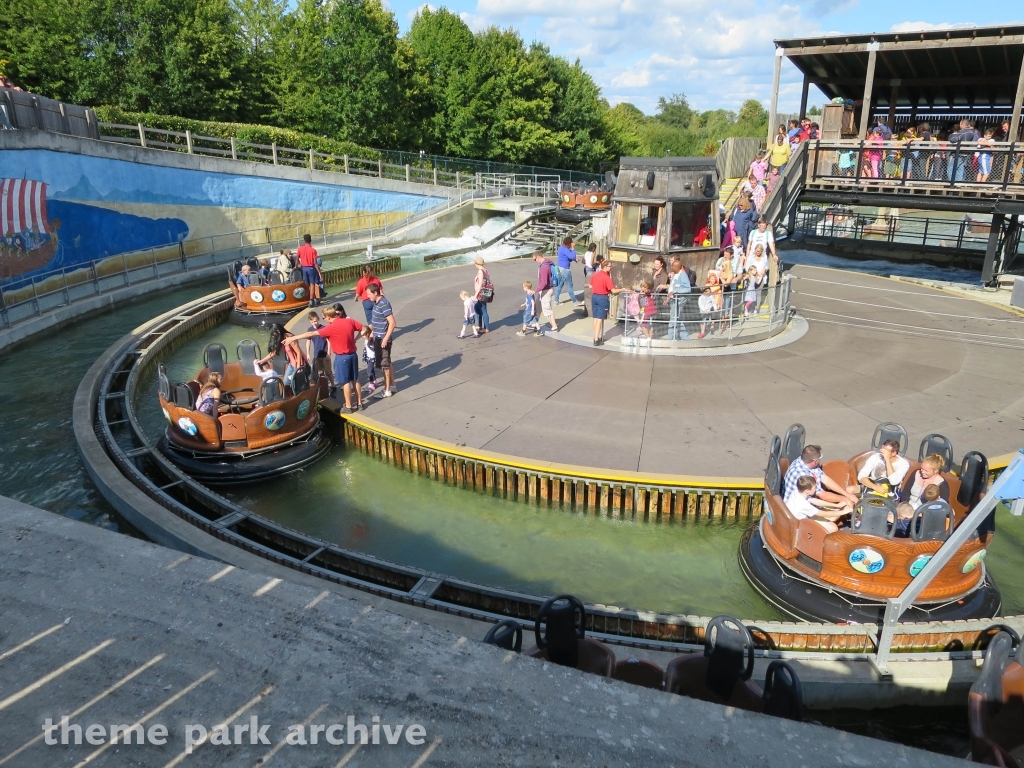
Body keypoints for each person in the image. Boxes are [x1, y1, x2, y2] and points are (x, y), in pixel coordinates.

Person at [286, 306, 364, 413]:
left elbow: (311, 334)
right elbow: (363, 329)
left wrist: (293, 338)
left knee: (345, 382)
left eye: (323, 318)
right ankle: (360, 404)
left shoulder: (330, 328)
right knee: (355, 379)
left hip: (342, 358)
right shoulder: (349, 321)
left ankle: (349, 406)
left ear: (328, 317)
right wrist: (355, 339)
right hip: (353, 355)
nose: (324, 320)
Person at [783, 445, 859, 509]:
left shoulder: (804, 461)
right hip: (797, 507)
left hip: (809, 499)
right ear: (815, 461)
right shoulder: (803, 474)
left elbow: (824, 478)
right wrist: (845, 499)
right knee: (845, 507)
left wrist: (846, 494)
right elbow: (823, 496)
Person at [367, 283, 397, 397]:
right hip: (377, 337)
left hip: (383, 339)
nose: (368, 296)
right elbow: (376, 321)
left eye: (369, 294)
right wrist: (372, 335)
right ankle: (392, 386)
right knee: (387, 362)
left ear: (375, 293)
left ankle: (387, 390)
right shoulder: (376, 303)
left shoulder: (383, 304)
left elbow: (392, 322)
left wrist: (385, 339)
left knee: (384, 365)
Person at [258, 323, 304, 389]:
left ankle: (298, 392)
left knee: (294, 382)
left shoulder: (290, 338)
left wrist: (298, 368)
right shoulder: (281, 338)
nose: (272, 336)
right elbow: (274, 353)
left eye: (273, 334)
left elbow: (298, 352)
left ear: (278, 332)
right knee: (287, 381)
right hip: (292, 363)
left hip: (299, 363)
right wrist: (262, 361)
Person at [589, 256, 619, 345]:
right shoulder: (606, 278)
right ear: (605, 267)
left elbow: (591, 286)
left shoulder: (595, 275)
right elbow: (613, 290)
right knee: (599, 319)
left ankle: (595, 336)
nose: (611, 268)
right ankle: (596, 340)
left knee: (595, 318)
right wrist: (623, 289)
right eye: (610, 266)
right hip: (602, 298)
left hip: (594, 296)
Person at [305, 311, 334, 391]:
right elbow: (308, 342)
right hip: (317, 354)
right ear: (309, 321)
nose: (314, 323)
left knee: (328, 372)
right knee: (320, 372)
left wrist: (328, 352)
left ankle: (333, 385)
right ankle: (323, 387)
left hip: (324, 353)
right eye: (312, 322)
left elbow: (329, 341)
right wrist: (307, 353)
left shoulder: (323, 328)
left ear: (318, 319)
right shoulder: (310, 330)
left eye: (315, 321)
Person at [532, 250, 558, 332]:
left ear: (538, 256)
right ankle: (534, 323)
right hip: (543, 290)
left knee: (547, 308)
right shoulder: (546, 264)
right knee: (538, 307)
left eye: (534, 259)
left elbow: (544, 282)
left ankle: (554, 327)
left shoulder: (544, 267)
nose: (534, 261)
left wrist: (535, 291)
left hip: (546, 290)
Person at [667, 259, 691, 341]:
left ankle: (671, 338)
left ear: (677, 267)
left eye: (673, 266)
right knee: (677, 318)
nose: (671, 267)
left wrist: (676, 291)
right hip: (673, 300)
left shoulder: (683, 275)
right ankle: (685, 338)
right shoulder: (675, 275)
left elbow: (688, 289)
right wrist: (668, 298)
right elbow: (672, 287)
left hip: (679, 301)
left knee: (674, 319)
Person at [554, 237, 581, 305]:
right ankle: (575, 302)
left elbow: (567, 257)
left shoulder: (561, 248)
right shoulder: (566, 249)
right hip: (565, 270)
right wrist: (573, 248)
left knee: (560, 285)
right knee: (569, 286)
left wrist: (574, 260)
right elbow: (572, 256)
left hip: (560, 268)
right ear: (569, 243)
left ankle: (556, 301)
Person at [297, 234, 321, 307]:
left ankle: (310, 298)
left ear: (304, 240)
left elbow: (297, 259)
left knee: (307, 285)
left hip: (304, 268)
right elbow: (315, 263)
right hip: (311, 268)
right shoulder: (313, 250)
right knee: (312, 284)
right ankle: (312, 300)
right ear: (311, 240)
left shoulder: (300, 249)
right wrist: (319, 272)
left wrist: (296, 267)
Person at [696, 272, 722, 339]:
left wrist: (715, 307)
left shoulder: (711, 296)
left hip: (708, 309)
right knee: (702, 321)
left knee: (705, 320)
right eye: (706, 291)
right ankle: (701, 330)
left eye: (709, 291)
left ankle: (703, 332)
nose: (708, 293)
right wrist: (703, 310)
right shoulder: (701, 297)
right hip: (702, 310)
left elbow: (713, 302)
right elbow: (700, 304)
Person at [472, 257, 493, 334]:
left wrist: (475, 295)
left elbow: (480, 284)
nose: (474, 264)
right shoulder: (485, 270)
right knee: (477, 308)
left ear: (477, 263)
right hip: (485, 292)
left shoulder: (480, 272)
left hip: (481, 293)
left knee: (483, 310)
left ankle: (486, 328)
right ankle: (480, 325)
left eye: (475, 263)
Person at [360, 326, 377, 393]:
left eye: (363, 335)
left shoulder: (370, 341)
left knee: (369, 371)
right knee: (371, 370)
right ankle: (374, 380)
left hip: (371, 357)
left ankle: (371, 384)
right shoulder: (367, 339)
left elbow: (373, 349)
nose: (362, 337)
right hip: (368, 357)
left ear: (367, 334)